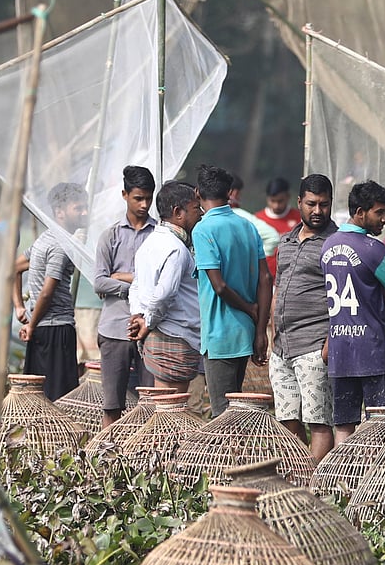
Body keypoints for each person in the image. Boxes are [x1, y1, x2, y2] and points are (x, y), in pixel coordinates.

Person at [321, 180, 385, 442]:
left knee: (343, 424)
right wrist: (377, 296)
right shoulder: (373, 249)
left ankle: (341, 467)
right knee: (379, 425)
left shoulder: (327, 246)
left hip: (341, 350)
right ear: (360, 212)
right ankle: (374, 469)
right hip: (374, 349)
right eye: (379, 212)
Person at [193, 164, 272, 417]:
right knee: (235, 413)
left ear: (197, 193)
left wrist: (249, 309)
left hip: (220, 335)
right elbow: (265, 278)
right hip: (246, 333)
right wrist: (260, 329)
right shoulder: (247, 226)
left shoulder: (203, 229)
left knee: (222, 417)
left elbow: (219, 286)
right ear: (229, 192)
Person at [270, 174, 337, 461]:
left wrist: (330, 342)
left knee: (319, 422)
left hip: (314, 345)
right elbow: (278, 288)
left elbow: (341, 298)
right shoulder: (286, 241)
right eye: (311, 204)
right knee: (287, 420)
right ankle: (299, 475)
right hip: (282, 347)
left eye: (324, 204)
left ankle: (316, 483)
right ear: (299, 202)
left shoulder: (335, 243)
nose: (318, 210)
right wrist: (270, 333)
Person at [93, 165, 156, 427]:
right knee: (112, 405)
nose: (144, 205)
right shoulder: (110, 235)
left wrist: (121, 277)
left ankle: (146, 451)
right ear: (124, 195)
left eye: (148, 198)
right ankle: (107, 450)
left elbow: (160, 283)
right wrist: (135, 287)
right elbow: (99, 281)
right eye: (138, 198)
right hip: (114, 329)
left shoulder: (158, 235)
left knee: (151, 406)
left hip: (150, 329)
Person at [14, 181, 88, 401]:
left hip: (41, 328)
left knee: (37, 396)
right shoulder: (59, 245)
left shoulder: (44, 239)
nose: (84, 212)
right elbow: (47, 291)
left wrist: (20, 307)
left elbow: (14, 268)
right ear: (60, 212)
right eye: (78, 208)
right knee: (59, 397)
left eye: (85, 207)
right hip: (56, 329)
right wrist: (31, 324)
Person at [128, 181, 203, 392]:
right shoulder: (176, 248)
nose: (200, 214)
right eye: (196, 208)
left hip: (159, 333)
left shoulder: (150, 243)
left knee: (163, 401)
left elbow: (136, 286)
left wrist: (138, 315)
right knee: (172, 404)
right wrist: (147, 322)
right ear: (178, 212)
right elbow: (164, 294)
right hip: (174, 334)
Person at [229, 172, 281, 276]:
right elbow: (273, 237)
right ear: (233, 193)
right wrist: (253, 259)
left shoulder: (204, 218)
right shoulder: (242, 216)